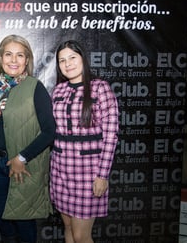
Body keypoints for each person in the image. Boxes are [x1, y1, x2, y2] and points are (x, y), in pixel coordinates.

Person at [0, 34, 55, 243]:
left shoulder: (35, 87)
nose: (14, 60)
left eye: (19, 55)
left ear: (27, 60)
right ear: (1, 58)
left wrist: (22, 158)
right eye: (9, 54)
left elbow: (49, 131)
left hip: (23, 165)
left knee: (23, 219)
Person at [50, 40, 119, 243]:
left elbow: (111, 136)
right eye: (62, 60)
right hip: (60, 172)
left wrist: (102, 175)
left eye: (72, 57)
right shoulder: (58, 90)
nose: (67, 63)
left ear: (83, 59)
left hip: (88, 174)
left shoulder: (100, 88)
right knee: (69, 228)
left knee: (81, 236)